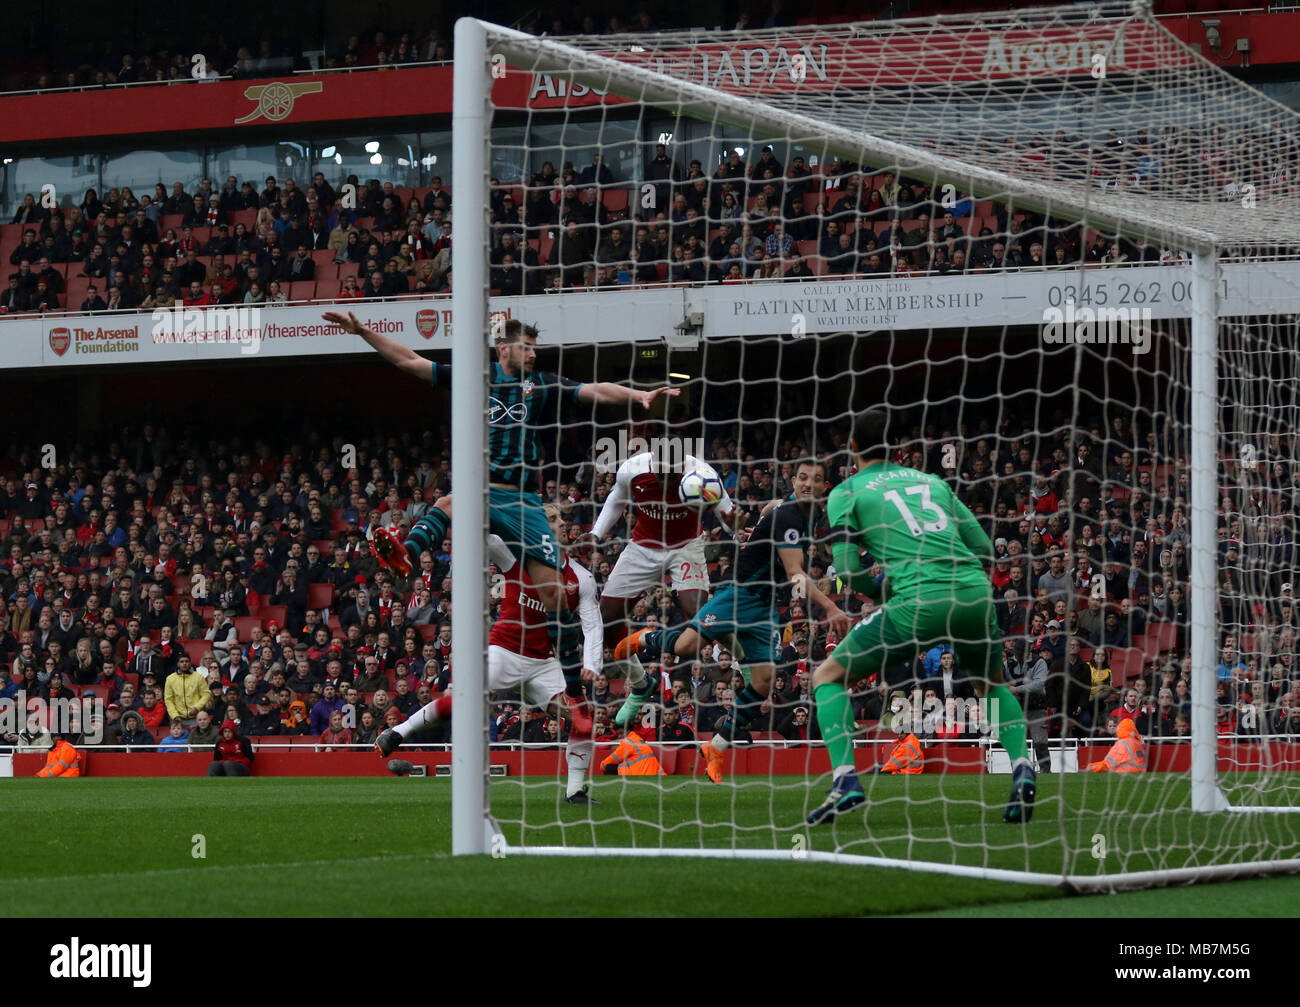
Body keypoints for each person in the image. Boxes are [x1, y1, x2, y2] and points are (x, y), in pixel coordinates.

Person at [324, 310, 671, 754]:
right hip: (485, 489)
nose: (532, 354)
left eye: (535, 348)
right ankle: (407, 553)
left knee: (553, 595)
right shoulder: (473, 377)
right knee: (449, 501)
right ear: (503, 348)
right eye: (526, 347)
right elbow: (409, 361)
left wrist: (637, 395)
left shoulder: (541, 384)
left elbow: (593, 391)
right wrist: (362, 331)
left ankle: (574, 695)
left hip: (524, 501)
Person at [805, 407, 1034, 826]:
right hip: (973, 595)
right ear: (896, 447)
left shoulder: (846, 492)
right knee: (990, 685)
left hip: (917, 603)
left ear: (852, 447)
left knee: (827, 677)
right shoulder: (933, 482)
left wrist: (885, 590)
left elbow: (851, 572)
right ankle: (1022, 767)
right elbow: (984, 549)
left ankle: (845, 780)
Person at [619, 459, 850, 784]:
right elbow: (795, 574)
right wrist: (831, 606)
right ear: (793, 480)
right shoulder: (790, 517)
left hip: (764, 608)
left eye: (815, 479)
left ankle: (716, 746)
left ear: (824, 487)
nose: (807, 484)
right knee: (686, 647)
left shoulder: (797, 513)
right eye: (801, 477)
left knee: (764, 681)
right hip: (739, 596)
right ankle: (645, 637)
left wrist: (757, 529)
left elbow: (771, 508)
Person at [378, 506, 605, 803]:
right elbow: (477, 536)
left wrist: (591, 665)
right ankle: (398, 732)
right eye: (552, 519)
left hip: (543, 663)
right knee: (466, 700)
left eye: (562, 518)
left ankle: (575, 790)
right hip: (504, 651)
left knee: (581, 716)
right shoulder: (515, 553)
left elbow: (593, 624)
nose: (562, 523)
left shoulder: (581, 578)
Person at [585, 442, 742, 724]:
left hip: (686, 546)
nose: (665, 479)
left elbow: (729, 517)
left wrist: (734, 527)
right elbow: (616, 501)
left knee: (699, 615)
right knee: (606, 618)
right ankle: (642, 683)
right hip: (642, 547)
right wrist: (595, 534)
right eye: (661, 473)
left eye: (672, 474)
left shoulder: (703, 474)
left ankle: (745, 663)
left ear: (682, 466)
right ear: (652, 462)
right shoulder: (633, 470)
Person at [600, 721, 665, 776]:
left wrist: (602, 765)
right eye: (618, 734)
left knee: (608, 768)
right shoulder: (635, 738)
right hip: (652, 773)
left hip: (643, 774)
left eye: (621, 733)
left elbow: (613, 758)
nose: (619, 736)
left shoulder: (628, 742)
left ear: (628, 731)